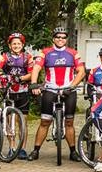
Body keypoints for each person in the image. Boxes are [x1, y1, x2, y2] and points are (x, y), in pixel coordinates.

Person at [28, 26, 86, 162]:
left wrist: (72, 86)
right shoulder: (45, 52)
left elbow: (81, 71)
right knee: (45, 121)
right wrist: (34, 84)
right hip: (50, 89)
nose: (61, 39)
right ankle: (36, 150)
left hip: (69, 89)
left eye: (63, 37)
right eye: (58, 37)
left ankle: (73, 152)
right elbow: (36, 68)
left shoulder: (73, 53)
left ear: (66, 39)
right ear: (53, 39)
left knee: (69, 122)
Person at [0, 32, 34, 159]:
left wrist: (21, 78)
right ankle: (12, 148)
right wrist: (3, 77)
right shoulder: (4, 57)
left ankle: (22, 149)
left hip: (23, 92)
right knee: (9, 121)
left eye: (18, 43)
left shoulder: (28, 57)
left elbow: (32, 73)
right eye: (14, 44)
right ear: (10, 45)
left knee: (23, 122)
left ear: (22, 45)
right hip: (9, 92)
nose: (16, 46)